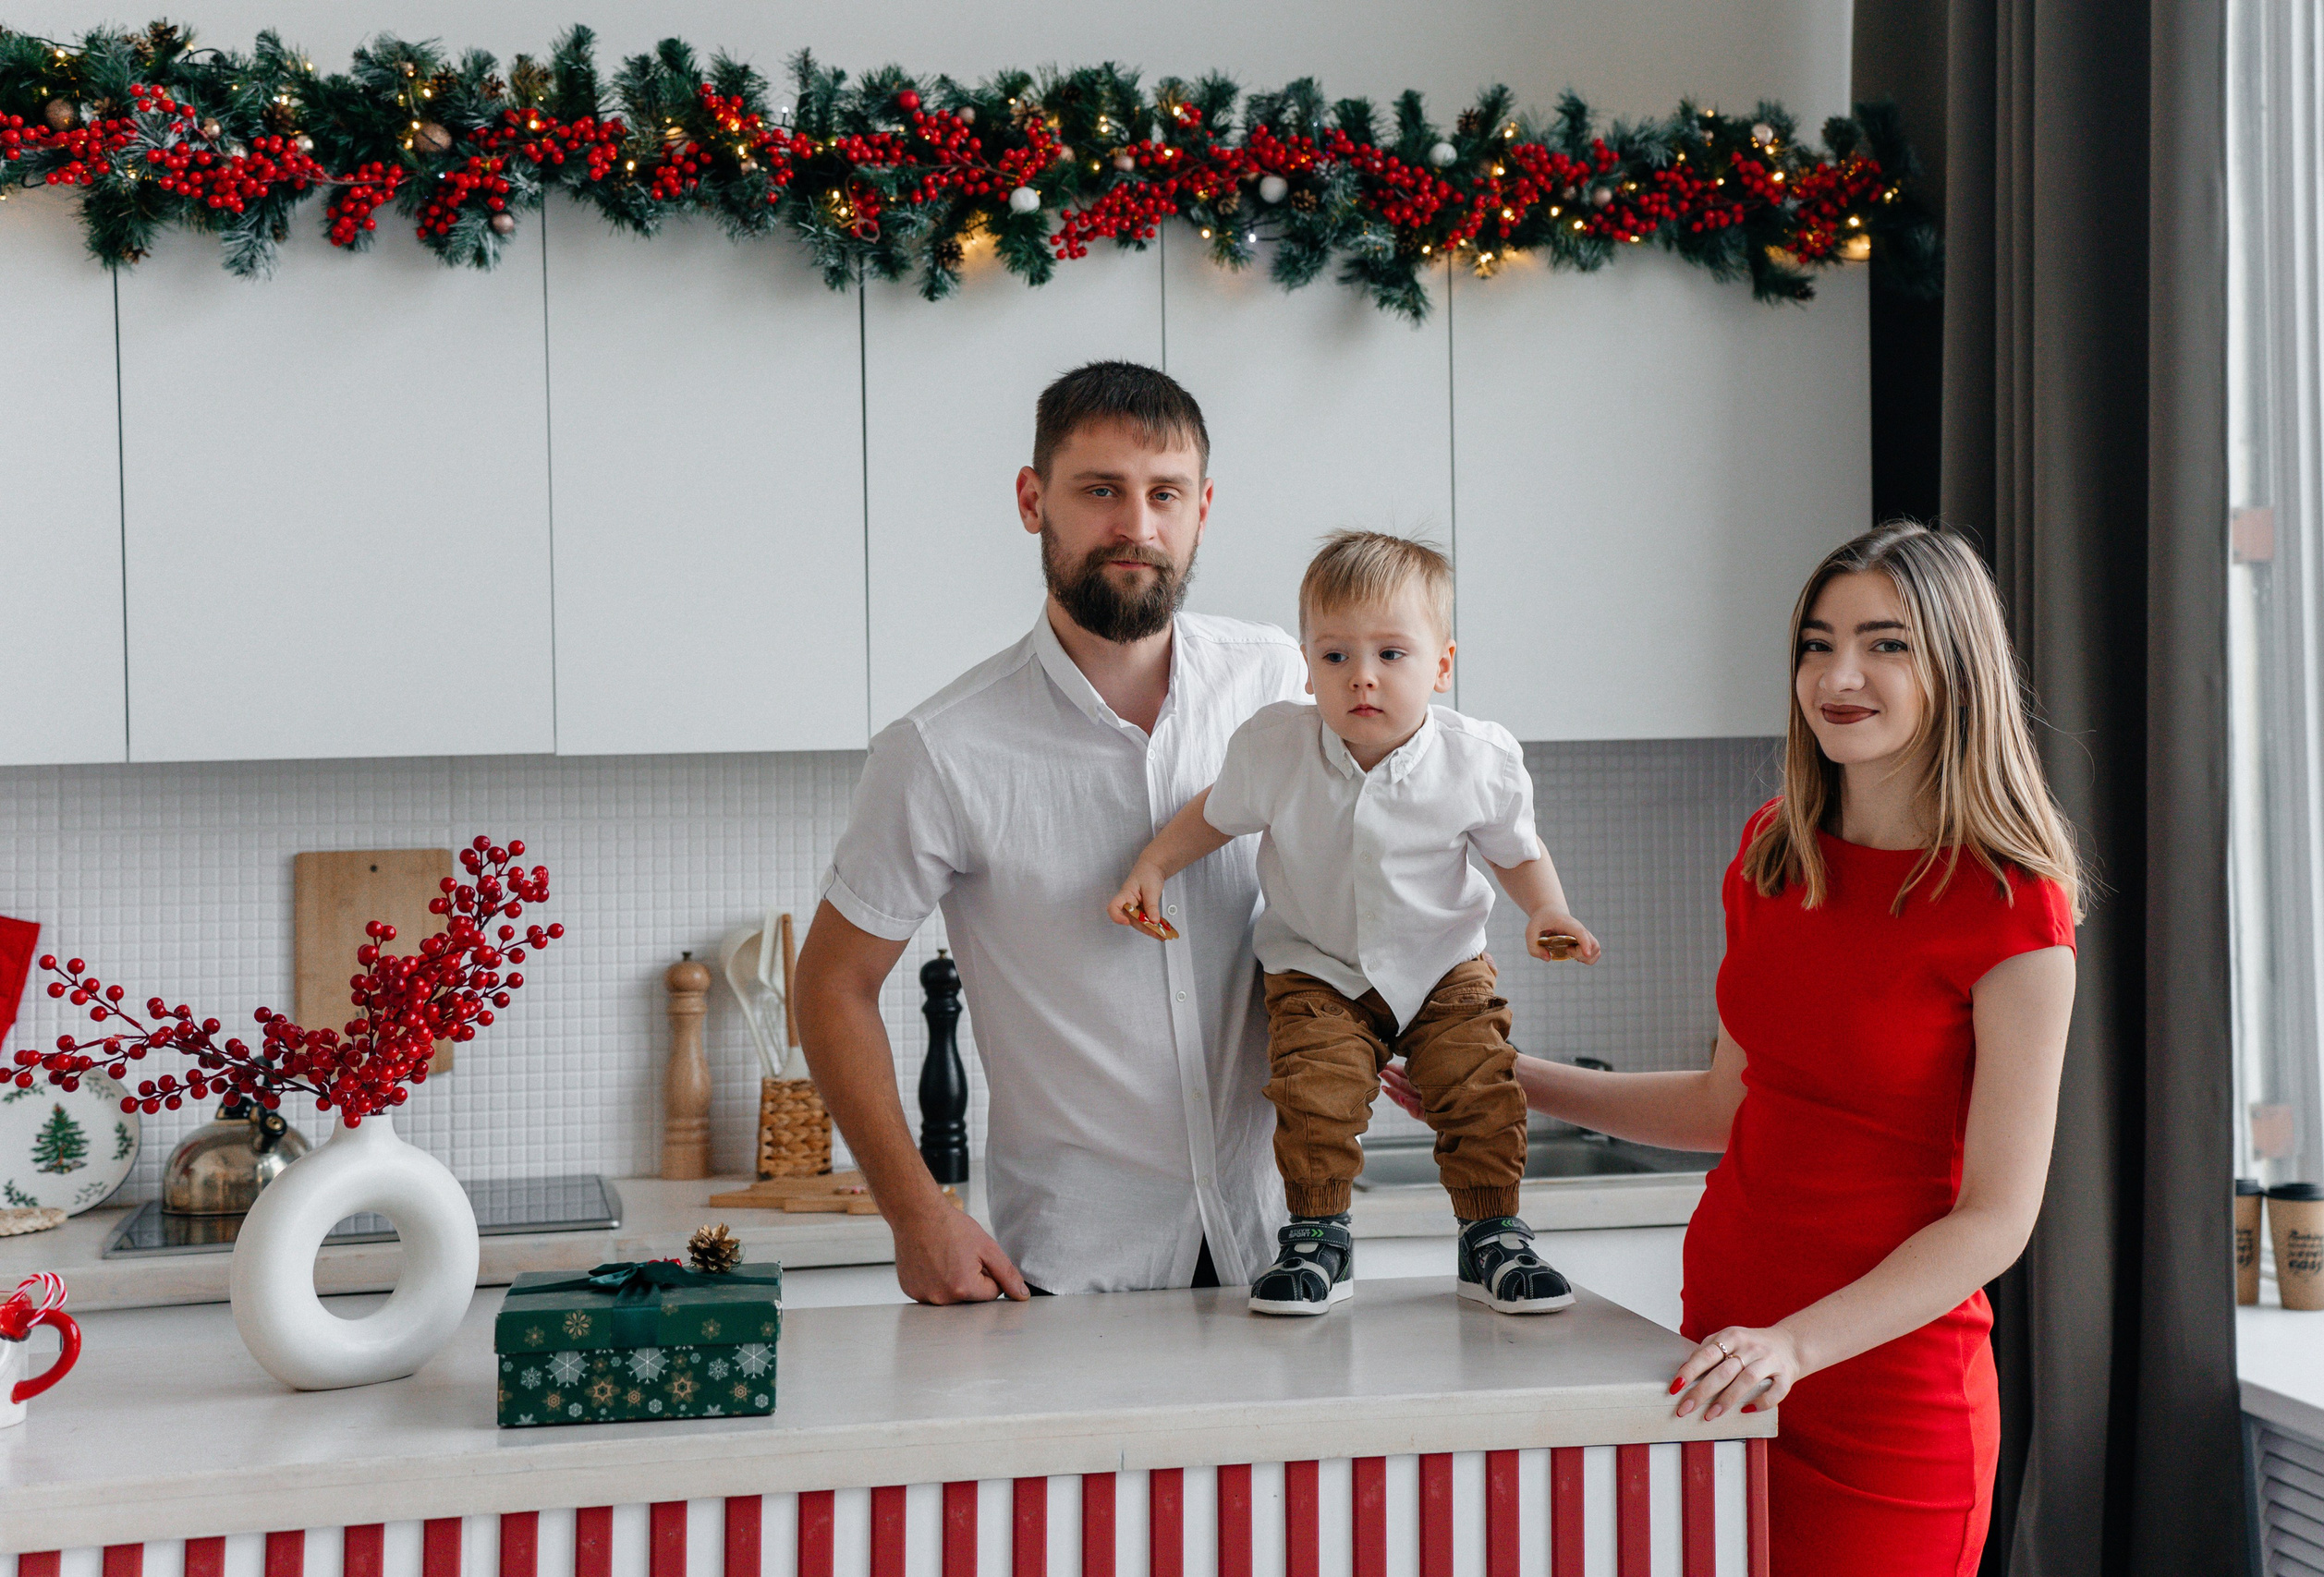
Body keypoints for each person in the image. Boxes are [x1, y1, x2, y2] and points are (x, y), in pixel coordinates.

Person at [1386, 520, 2078, 1574]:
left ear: (1955, 667)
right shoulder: (1773, 852)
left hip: (1882, 1405)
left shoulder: (2011, 907)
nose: (1838, 676)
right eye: (1817, 644)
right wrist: (1508, 1082)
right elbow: (1728, 1104)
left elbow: (1996, 1218)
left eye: (1885, 645)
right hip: (1718, 1358)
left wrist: (1795, 1343)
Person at [797, 361, 1304, 1302]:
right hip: (1075, 1279)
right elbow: (832, 984)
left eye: (1165, 494)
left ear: (1202, 509)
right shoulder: (940, 750)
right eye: (1100, 490)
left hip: (1289, 1252)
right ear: (1034, 501)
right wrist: (916, 1213)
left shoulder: (1281, 682)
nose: (1137, 526)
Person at [1110, 531, 1602, 1316]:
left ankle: (1493, 1235)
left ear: (1442, 664)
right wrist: (1155, 863)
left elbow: (1517, 849)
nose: (1361, 676)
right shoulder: (1277, 746)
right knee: (1314, 1096)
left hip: (1443, 967)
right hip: (1318, 967)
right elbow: (1215, 813)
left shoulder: (1476, 758)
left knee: (1481, 1089)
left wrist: (1547, 907)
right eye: (1335, 655)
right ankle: (1318, 1238)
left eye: (1391, 654)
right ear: (1307, 667)